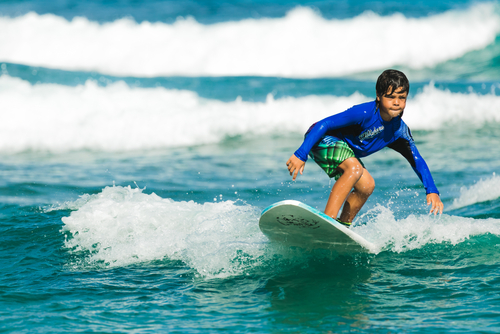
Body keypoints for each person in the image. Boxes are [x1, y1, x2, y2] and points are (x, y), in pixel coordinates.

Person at [286, 69, 444, 227]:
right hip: (321, 137)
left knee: (367, 185)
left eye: (401, 98)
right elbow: (324, 124)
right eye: (390, 97)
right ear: (379, 96)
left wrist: (432, 190)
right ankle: (329, 221)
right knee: (354, 169)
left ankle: (343, 226)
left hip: (344, 148)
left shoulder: (399, 131)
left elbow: (417, 160)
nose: (396, 102)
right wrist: (301, 154)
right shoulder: (364, 113)